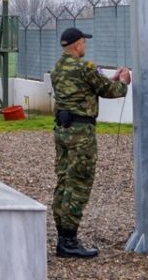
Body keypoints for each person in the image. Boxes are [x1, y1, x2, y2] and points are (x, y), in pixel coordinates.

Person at [49, 26, 131, 259]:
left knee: (64, 181)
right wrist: (123, 81)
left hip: (62, 130)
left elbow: (90, 87)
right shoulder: (85, 67)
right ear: (77, 44)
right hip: (81, 133)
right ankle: (69, 241)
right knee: (80, 183)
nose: (85, 46)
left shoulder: (58, 67)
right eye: (84, 42)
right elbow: (110, 91)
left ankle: (62, 236)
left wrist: (108, 79)